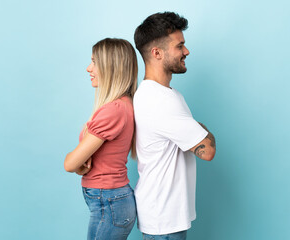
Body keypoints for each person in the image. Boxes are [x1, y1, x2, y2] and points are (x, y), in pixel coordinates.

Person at [133, 12, 216, 239]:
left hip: (163, 217)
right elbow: (207, 150)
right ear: (157, 53)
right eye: (180, 46)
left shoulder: (159, 95)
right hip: (164, 222)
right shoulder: (161, 100)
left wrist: (195, 128)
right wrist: (199, 128)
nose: (186, 52)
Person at [64, 38, 138, 240]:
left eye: (95, 62)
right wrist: (81, 165)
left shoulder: (113, 111)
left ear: (111, 67)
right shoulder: (122, 105)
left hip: (110, 202)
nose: (89, 68)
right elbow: (80, 164)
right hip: (110, 202)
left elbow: (69, 164)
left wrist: (77, 162)